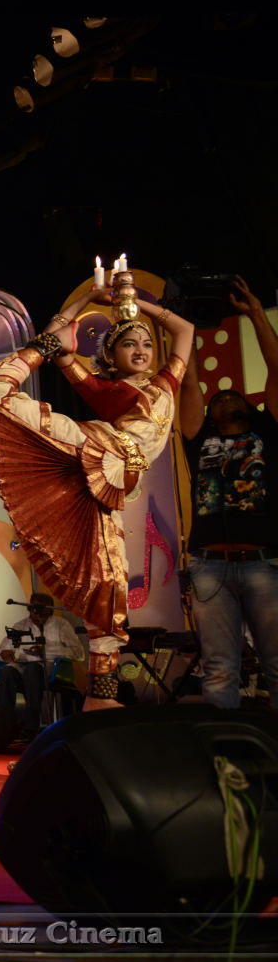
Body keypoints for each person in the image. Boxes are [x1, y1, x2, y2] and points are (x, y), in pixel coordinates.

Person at [0, 286, 192, 708]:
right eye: (130, 342)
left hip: (109, 484)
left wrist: (132, 303)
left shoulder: (165, 382)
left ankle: (101, 698)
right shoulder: (100, 388)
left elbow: (185, 329)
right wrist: (83, 304)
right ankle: (42, 347)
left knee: (108, 587)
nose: (143, 349)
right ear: (111, 356)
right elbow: (65, 336)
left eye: (147, 342)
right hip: (95, 447)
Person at [178, 274, 278, 710]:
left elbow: (276, 369)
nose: (223, 398)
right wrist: (186, 331)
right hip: (210, 566)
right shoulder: (198, 439)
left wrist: (256, 314)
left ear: (249, 406)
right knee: (219, 667)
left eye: (232, 395)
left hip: (263, 563)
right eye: (217, 398)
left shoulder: (268, 434)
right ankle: (227, 764)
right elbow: (189, 384)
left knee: (277, 663)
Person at [0, 592, 86, 734]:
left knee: (33, 670)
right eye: (32, 609)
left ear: (49, 609)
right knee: (6, 672)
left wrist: (44, 650)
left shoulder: (61, 625)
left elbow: (79, 653)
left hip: (50, 669)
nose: (35, 614)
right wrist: (4, 654)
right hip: (22, 667)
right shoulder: (20, 626)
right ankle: (6, 724)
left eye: (40, 610)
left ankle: (31, 725)